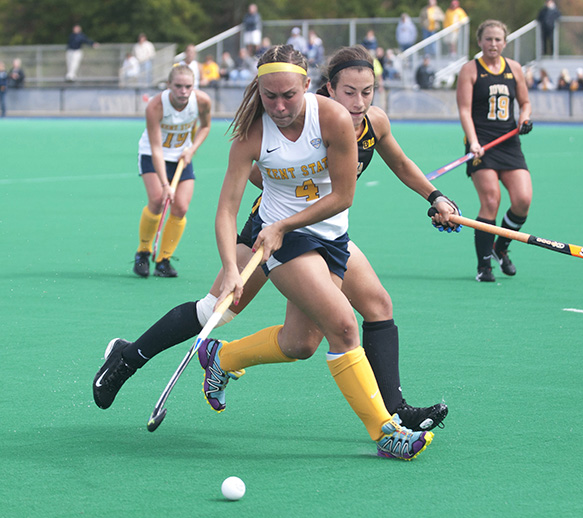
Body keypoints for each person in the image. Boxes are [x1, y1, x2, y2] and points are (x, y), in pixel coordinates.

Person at [94, 44, 453, 460]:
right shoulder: (253, 132)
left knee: (308, 339)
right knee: (334, 324)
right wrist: (233, 262)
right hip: (280, 236)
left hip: (325, 234)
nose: (280, 106)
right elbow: (227, 205)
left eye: (289, 96)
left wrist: (435, 196)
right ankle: (387, 429)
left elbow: (344, 195)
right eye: (270, 96)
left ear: (306, 87)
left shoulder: (336, 119)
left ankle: (219, 357)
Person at [456, 20, 533, 282]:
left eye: (498, 40)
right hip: (482, 144)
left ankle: (500, 247)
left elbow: (525, 102)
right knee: (491, 200)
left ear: (505, 42)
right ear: (480, 42)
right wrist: (473, 142)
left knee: (523, 200)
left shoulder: (514, 69)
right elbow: (465, 110)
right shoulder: (470, 70)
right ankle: (484, 266)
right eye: (488, 39)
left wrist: (524, 119)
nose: (493, 44)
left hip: (509, 142)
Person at [132, 64, 212, 278]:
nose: (183, 91)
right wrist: (166, 185)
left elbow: (205, 127)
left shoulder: (202, 101)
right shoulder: (156, 106)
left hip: (181, 157)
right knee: (158, 200)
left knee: (181, 207)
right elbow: (156, 148)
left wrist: (192, 150)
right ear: (168, 85)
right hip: (152, 155)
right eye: (178, 86)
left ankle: (163, 260)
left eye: (188, 86)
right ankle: (143, 252)